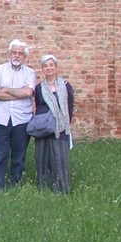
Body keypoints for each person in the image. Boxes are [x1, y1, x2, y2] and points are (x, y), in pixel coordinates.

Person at [0, 39, 37, 190]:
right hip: (1, 119)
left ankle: (16, 184)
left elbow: (29, 92)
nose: (17, 56)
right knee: (0, 155)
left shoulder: (30, 73)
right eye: (14, 52)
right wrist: (19, 92)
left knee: (19, 156)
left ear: (25, 56)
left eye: (20, 53)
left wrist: (6, 89)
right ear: (9, 53)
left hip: (21, 120)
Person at [34, 54, 74, 194]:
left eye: (51, 65)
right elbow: (38, 105)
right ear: (42, 69)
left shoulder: (65, 86)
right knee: (42, 157)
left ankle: (61, 188)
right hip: (44, 127)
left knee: (59, 158)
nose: (49, 68)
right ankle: (44, 187)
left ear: (56, 67)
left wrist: (64, 124)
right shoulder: (39, 88)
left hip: (60, 126)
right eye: (45, 66)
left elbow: (70, 107)